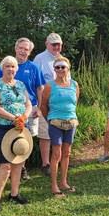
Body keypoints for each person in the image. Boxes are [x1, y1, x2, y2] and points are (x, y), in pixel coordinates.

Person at [0, 37, 45, 179]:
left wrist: (39, 108)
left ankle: (21, 168)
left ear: (30, 52)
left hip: (28, 110)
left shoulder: (34, 68)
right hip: (5, 111)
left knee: (24, 139)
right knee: (7, 139)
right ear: (16, 49)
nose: (23, 51)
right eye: (20, 48)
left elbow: (40, 89)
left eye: (26, 49)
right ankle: (7, 167)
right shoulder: (3, 66)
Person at [0, 56, 32, 211]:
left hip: (20, 127)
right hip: (4, 128)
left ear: (16, 69)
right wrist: (14, 118)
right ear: (2, 68)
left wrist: (24, 116)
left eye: (13, 66)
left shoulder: (20, 84)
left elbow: (28, 104)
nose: (10, 69)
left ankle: (14, 194)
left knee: (19, 161)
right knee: (6, 164)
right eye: (7, 66)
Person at [40, 56, 79, 198]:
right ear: (54, 69)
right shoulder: (50, 86)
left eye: (63, 67)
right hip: (55, 122)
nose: (60, 69)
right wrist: (49, 120)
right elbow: (43, 105)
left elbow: (74, 104)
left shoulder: (74, 85)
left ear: (68, 68)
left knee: (67, 152)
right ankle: (54, 185)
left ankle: (63, 182)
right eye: (57, 67)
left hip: (71, 122)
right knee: (56, 153)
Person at [34, 32, 63, 176]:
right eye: (53, 44)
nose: (56, 47)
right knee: (45, 133)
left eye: (58, 44)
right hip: (45, 102)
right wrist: (39, 105)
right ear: (47, 44)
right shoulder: (39, 58)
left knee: (59, 132)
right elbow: (35, 82)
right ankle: (45, 164)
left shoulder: (62, 59)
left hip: (61, 104)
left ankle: (58, 161)